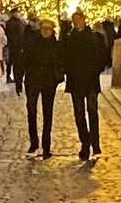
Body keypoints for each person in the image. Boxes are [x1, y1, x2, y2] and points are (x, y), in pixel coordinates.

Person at [62, 8, 106, 159]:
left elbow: (102, 56)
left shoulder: (94, 37)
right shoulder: (69, 39)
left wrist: (96, 69)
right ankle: (85, 143)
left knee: (92, 112)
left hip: (91, 81)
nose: (77, 22)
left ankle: (95, 142)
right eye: (75, 20)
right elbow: (64, 58)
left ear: (84, 20)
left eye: (79, 19)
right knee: (79, 114)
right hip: (75, 82)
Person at [20, 17, 64, 157]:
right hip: (33, 81)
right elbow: (24, 60)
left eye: (48, 29)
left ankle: (46, 146)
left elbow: (62, 62)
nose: (46, 31)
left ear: (52, 31)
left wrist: (58, 75)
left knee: (48, 113)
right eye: (43, 28)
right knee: (31, 111)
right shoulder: (33, 43)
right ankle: (34, 142)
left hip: (49, 82)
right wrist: (19, 80)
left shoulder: (56, 46)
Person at [4, 8, 26, 93]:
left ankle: (16, 78)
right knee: (12, 62)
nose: (18, 14)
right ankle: (10, 76)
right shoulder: (11, 23)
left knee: (16, 63)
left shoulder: (20, 22)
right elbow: (10, 34)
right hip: (13, 45)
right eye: (16, 12)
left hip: (18, 45)